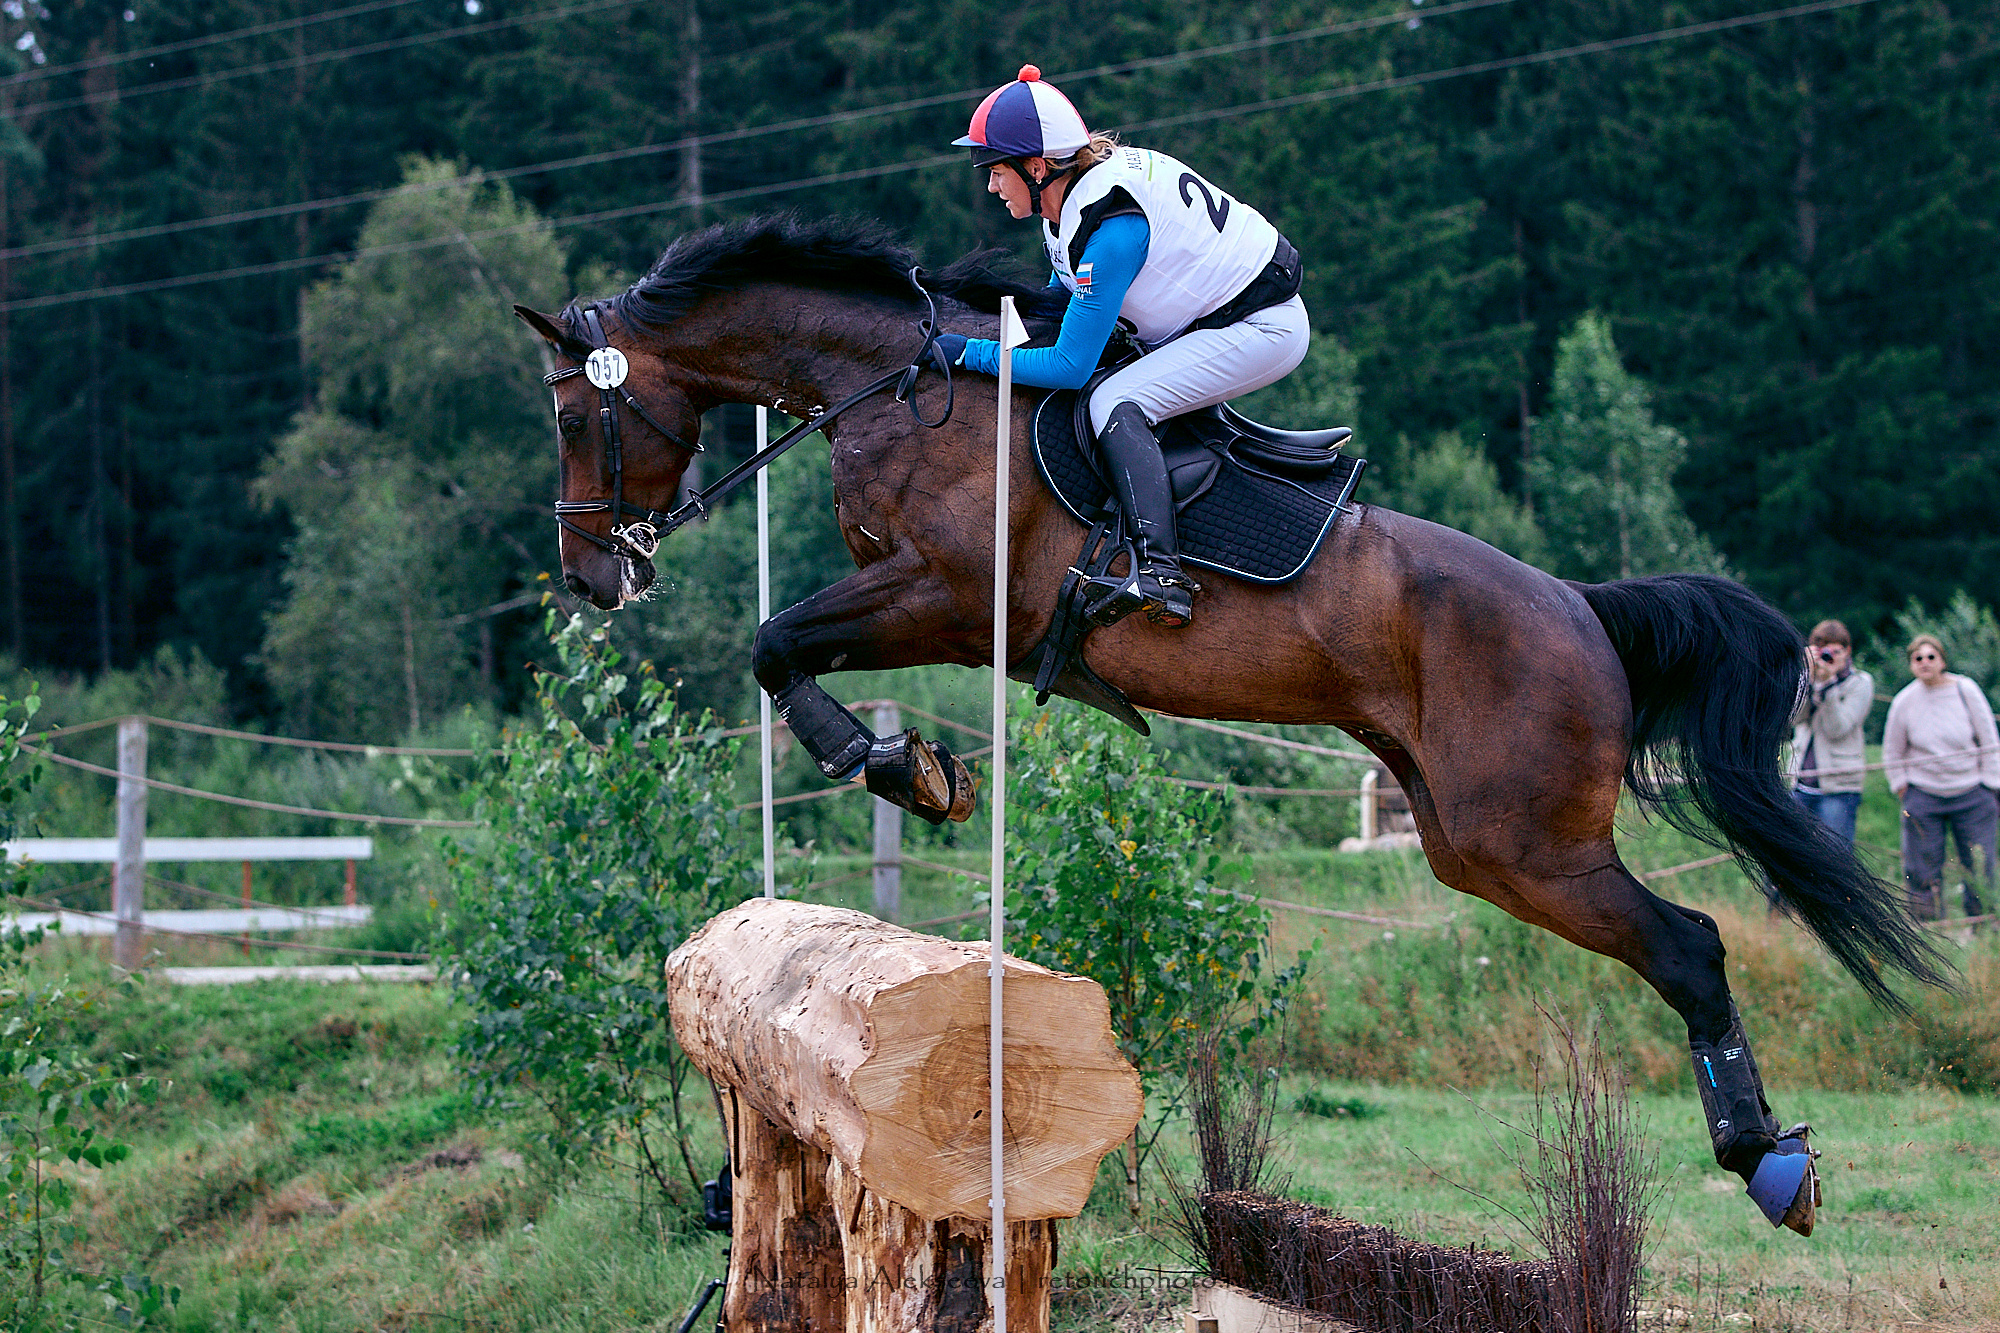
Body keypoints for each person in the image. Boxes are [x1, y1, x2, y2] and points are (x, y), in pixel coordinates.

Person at [934, 65, 1311, 628]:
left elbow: (1067, 366)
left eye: (992, 169)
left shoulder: (1109, 227)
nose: (989, 184)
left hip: (1261, 329)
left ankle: (1164, 575)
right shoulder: (1067, 202)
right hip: (1219, 318)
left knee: (1112, 402)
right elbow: (1060, 297)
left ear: (1036, 167)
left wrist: (968, 353)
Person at [1883, 633, 1999, 921]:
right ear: (1911, 664)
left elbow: (1989, 738)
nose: (1924, 663)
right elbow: (1892, 750)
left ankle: (1982, 925)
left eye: (1930, 657)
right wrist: (1902, 787)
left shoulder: (1965, 690)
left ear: (1942, 660)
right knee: (1921, 866)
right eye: (1917, 658)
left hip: (1971, 792)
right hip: (1924, 794)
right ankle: (1929, 928)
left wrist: (1990, 784)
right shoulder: (1904, 701)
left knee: (1979, 864)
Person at [1785, 619, 1872, 844]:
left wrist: (1828, 686)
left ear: (1848, 651)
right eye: (1824, 651)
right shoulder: (1807, 678)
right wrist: (1807, 677)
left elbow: (1837, 729)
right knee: (1790, 852)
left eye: (1835, 651)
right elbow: (1793, 718)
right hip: (1801, 782)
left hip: (1839, 787)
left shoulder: (1860, 683)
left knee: (1835, 854)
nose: (1829, 657)